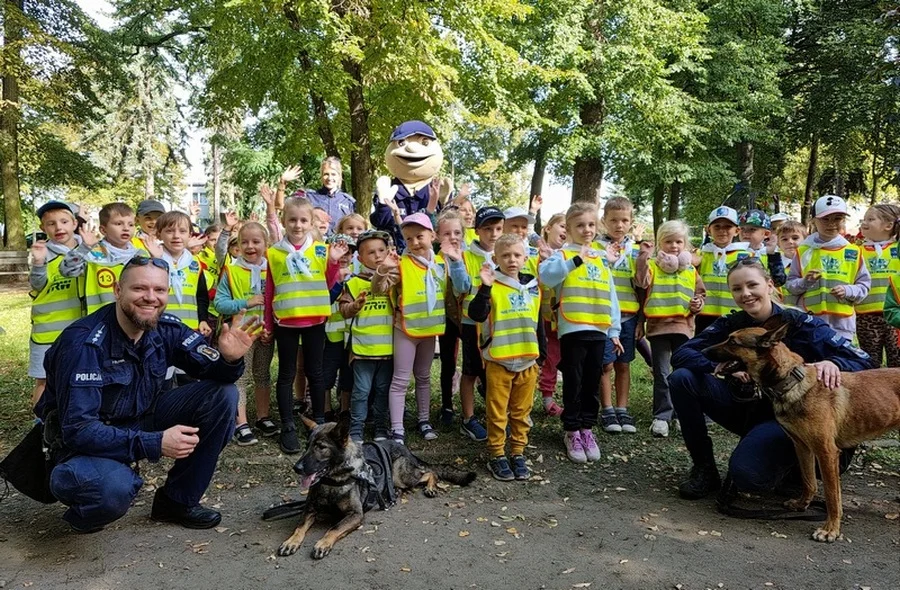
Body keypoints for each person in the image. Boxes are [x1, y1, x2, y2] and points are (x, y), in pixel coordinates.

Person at [34, 255, 260, 533]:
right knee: (113, 489)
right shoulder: (83, 344)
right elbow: (79, 430)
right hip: (83, 442)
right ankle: (87, 509)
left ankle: (176, 502)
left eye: (159, 290)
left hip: (141, 416)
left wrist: (229, 360)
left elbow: (213, 371)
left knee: (222, 396)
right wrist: (155, 443)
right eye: (139, 289)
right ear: (118, 290)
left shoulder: (166, 328)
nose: (150, 298)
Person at [669, 258, 874, 500]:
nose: (745, 294)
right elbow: (683, 353)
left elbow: (863, 359)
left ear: (769, 285)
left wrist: (834, 363)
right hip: (748, 407)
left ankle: (798, 472)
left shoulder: (798, 322)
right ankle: (704, 468)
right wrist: (720, 367)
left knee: (749, 478)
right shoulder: (732, 325)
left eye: (752, 285)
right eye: (737, 288)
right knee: (682, 378)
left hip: (796, 415)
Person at [539, 202, 622, 463]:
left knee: (592, 381)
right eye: (579, 225)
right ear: (569, 229)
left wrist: (614, 330)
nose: (586, 230)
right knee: (573, 381)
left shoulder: (600, 256)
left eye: (590, 224)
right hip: (573, 327)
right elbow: (547, 277)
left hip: (598, 328)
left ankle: (587, 428)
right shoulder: (562, 254)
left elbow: (611, 295)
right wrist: (576, 259)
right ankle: (571, 430)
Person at [265, 197, 348, 453]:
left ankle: (319, 423)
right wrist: (268, 323)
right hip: (286, 321)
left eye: (303, 220)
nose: (298, 225)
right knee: (287, 374)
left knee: (316, 372)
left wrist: (333, 262)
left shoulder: (322, 250)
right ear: (283, 221)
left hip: (314, 320)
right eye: (292, 220)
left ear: (311, 222)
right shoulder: (274, 252)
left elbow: (330, 283)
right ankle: (288, 424)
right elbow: (270, 291)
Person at [468, 234, 544, 481]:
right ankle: (497, 454)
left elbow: (538, 323)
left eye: (517, 255)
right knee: (497, 411)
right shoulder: (491, 285)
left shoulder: (533, 286)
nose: (512, 260)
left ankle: (518, 451)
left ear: (525, 258)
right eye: (506, 255)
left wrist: (540, 356)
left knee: (522, 411)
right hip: (499, 360)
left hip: (527, 360)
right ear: (496, 258)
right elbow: (476, 315)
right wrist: (485, 288)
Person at [372, 212, 447, 443]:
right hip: (405, 330)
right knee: (401, 379)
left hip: (429, 330)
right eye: (409, 238)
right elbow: (378, 289)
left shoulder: (442, 264)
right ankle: (397, 429)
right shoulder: (400, 263)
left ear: (432, 235)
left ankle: (424, 420)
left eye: (419, 236)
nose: (414, 242)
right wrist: (383, 269)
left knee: (423, 376)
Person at [634, 220, 705, 438]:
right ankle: (662, 416)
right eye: (668, 242)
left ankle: (682, 414)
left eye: (678, 242)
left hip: (684, 328)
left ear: (685, 244)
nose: (673, 246)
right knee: (662, 374)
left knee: (682, 374)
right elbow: (641, 282)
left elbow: (700, 294)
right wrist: (643, 258)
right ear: (659, 243)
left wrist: (697, 304)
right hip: (658, 330)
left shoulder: (691, 270)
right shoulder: (654, 266)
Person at [214, 222, 276, 445]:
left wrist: (271, 324)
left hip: (266, 333)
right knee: (241, 376)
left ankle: (263, 416)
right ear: (238, 245)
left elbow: (278, 301)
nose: (251, 246)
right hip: (241, 335)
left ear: (265, 244)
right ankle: (241, 423)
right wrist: (245, 303)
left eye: (256, 242)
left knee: (262, 374)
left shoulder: (273, 268)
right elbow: (219, 304)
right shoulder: (231, 270)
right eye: (245, 242)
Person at [452, 206, 507, 441]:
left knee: (496, 371)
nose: (493, 234)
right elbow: (460, 288)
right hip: (471, 323)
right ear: (477, 230)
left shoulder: (508, 254)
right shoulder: (466, 255)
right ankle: (468, 418)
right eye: (488, 229)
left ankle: (498, 416)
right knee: (471, 371)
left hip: (500, 324)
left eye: (498, 229)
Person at [785, 195, 870, 341]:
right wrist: (805, 282)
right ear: (813, 221)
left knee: (838, 362)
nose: (831, 224)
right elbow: (791, 286)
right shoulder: (804, 251)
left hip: (842, 326)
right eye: (825, 219)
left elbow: (864, 287)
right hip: (810, 324)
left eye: (837, 218)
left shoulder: (853, 251)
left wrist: (847, 290)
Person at [28, 201, 88, 407]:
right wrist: (37, 263)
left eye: (64, 221)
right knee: (44, 380)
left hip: (82, 330)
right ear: (44, 228)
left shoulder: (91, 249)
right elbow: (37, 284)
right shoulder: (42, 252)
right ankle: (41, 427)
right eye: (51, 224)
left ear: (74, 223)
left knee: (80, 378)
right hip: (47, 331)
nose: (59, 227)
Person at [339, 230, 395, 442]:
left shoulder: (394, 280)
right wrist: (355, 306)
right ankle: (356, 430)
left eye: (382, 250)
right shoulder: (353, 283)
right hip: (362, 350)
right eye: (371, 252)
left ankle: (381, 428)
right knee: (361, 392)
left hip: (388, 351)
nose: (378, 255)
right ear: (359, 258)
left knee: (382, 391)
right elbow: (343, 310)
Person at [596, 197, 641, 434]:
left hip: (628, 316)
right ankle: (607, 409)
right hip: (602, 317)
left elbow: (643, 287)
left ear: (631, 222)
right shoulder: (595, 248)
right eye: (613, 220)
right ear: (604, 221)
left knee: (624, 364)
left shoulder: (635, 251)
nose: (619, 225)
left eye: (624, 220)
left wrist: (641, 320)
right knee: (606, 364)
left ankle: (622, 408)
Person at [855, 204, 900, 367]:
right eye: (864, 219)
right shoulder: (856, 251)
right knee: (870, 362)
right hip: (866, 315)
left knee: (897, 361)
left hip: (895, 316)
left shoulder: (897, 249)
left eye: (871, 219)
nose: (864, 223)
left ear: (888, 225)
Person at [434, 210, 467, 425]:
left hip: (468, 319)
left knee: (475, 363)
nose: (452, 237)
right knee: (448, 363)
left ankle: (473, 403)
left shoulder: (469, 257)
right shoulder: (433, 260)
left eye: (457, 232)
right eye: (446, 233)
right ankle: (447, 404)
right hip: (446, 319)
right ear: (437, 236)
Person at [695, 206, 747, 334]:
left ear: (737, 231)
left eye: (728, 227)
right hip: (705, 315)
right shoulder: (700, 254)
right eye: (717, 226)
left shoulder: (746, 255)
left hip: (736, 314)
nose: (722, 231)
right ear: (708, 230)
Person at [537, 213, 566, 417]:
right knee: (542, 358)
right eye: (562, 226)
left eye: (567, 228)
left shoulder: (567, 256)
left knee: (555, 357)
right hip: (537, 317)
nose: (565, 231)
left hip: (561, 318)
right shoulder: (532, 252)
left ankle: (548, 399)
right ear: (548, 228)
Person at [304, 157, 356, 234]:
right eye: (326, 174)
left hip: (340, 244)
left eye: (333, 174)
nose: (330, 178)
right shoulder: (310, 197)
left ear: (339, 176)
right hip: (315, 243)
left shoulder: (348, 202)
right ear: (321, 176)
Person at [738, 209, 786, 287]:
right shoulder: (733, 251)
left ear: (766, 234)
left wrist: (772, 255)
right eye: (742, 229)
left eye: (752, 229)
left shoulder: (771, 253)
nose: (745, 233)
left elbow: (779, 280)